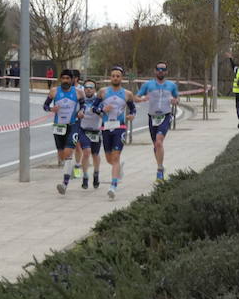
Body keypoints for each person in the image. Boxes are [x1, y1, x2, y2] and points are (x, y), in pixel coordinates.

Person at [135, 62, 181, 182]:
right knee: (156, 145)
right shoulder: (148, 85)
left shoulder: (171, 85)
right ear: (155, 71)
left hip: (165, 116)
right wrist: (142, 99)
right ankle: (160, 165)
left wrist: (175, 101)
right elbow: (136, 97)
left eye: (163, 69)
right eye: (158, 69)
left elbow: (177, 98)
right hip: (152, 117)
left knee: (159, 142)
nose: (161, 71)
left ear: (166, 72)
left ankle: (159, 170)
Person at [96, 66, 137, 200]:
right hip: (106, 128)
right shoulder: (102, 92)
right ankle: (119, 166)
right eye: (113, 75)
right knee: (110, 159)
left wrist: (132, 115)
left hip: (120, 127)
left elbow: (133, 109)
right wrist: (102, 110)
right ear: (110, 77)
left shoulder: (127, 94)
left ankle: (113, 187)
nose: (115, 78)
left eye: (118, 76)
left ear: (121, 78)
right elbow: (93, 108)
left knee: (115, 157)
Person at [42, 69, 82, 191]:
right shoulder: (54, 91)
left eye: (67, 78)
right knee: (61, 156)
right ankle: (68, 170)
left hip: (73, 125)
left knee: (68, 152)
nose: (65, 80)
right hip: (59, 126)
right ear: (60, 79)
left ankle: (64, 183)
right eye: (63, 78)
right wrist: (51, 109)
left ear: (72, 80)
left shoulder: (79, 92)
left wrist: (81, 111)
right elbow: (45, 106)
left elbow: (84, 105)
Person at [75, 79, 103, 190]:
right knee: (86, 152)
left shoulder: (99, 99)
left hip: (96, 131)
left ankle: (96, 174)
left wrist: (99, 111)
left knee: (95, 155)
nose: (88, 89)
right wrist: (78, 114)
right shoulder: (81, 100)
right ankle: (85, 176)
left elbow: (104, 114)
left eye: (91, 87)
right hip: (84, 130)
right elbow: (75, 114)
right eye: (86, 87)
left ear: (94, 89)